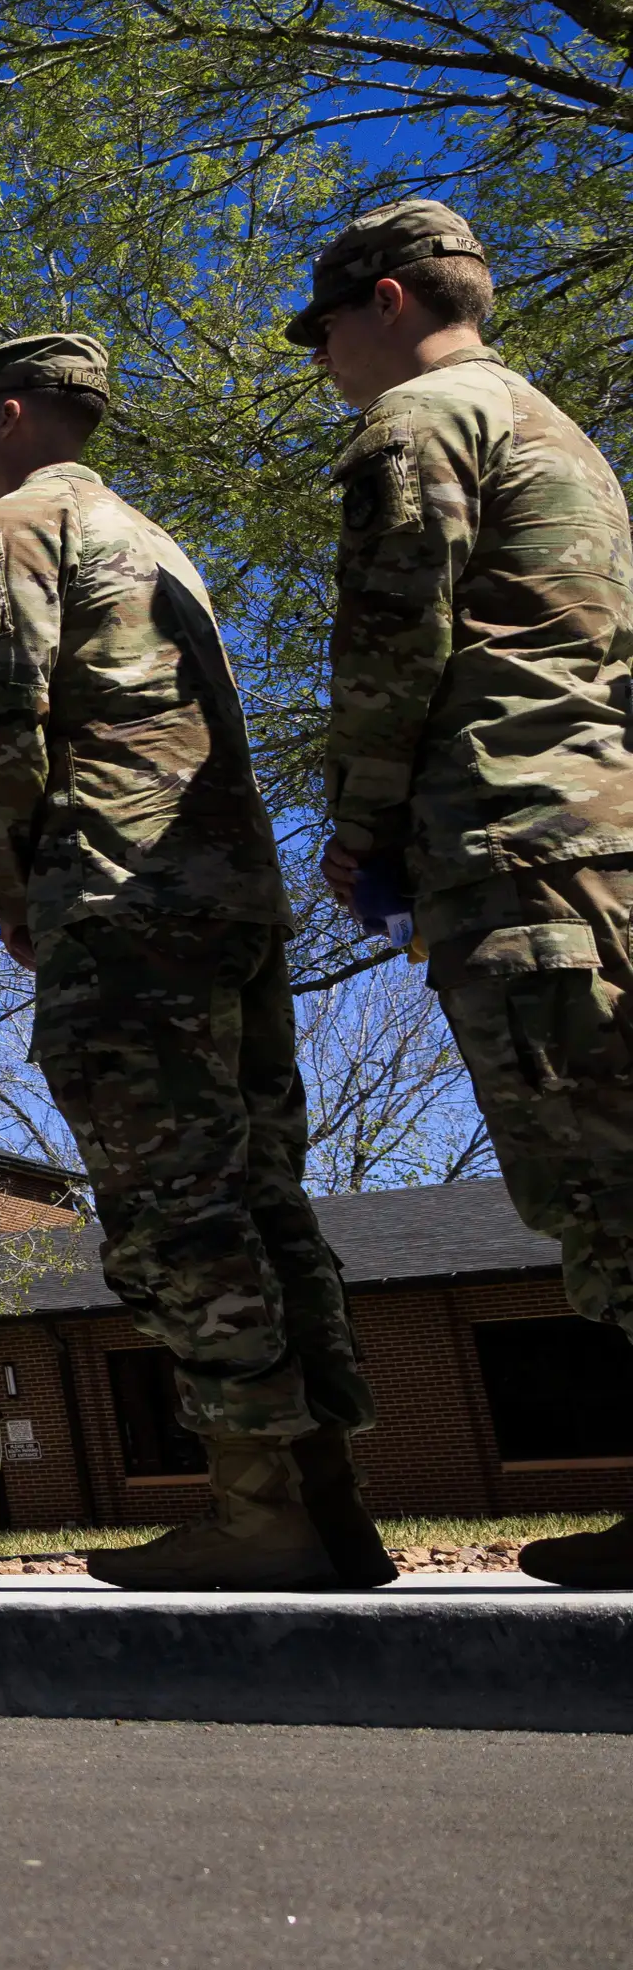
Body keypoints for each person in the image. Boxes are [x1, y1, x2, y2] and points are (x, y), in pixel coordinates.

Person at [0, 332, 385, 1592]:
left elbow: (3, 723)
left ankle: (261, 1507)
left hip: (122, 896)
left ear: (12, 413)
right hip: (235, 897)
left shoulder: (11, 535)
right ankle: (332, 1497)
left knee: (173, 1198)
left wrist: (12, 888)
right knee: (264, 1195)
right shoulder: (156, 538)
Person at [299, 201, 633, 1589]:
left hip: (514, 847)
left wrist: (358, 821)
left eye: (324, 332)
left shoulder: (420, 425)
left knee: (595, 1179)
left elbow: (393, 641)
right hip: (598, 833)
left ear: (384, 299)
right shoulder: (562, 431)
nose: (324, 361)